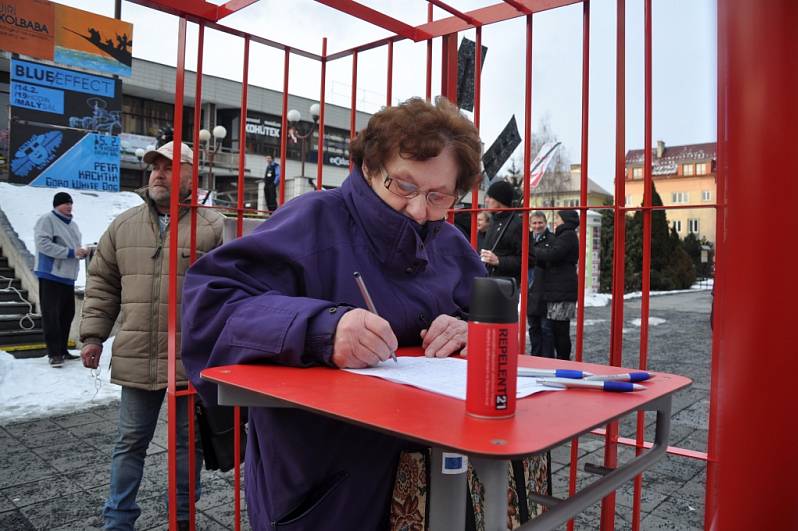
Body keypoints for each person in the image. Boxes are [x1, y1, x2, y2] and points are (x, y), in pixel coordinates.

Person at [180, 98, 503, 530]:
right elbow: (210, 305)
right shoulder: (313, 219)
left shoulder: (450, 244)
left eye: (439, 196)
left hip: (439, 478)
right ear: (369, 168)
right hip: (329, 481)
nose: (420, 210)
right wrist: (321, 328)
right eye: (403, 186)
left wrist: (469, 331)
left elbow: (494, 327)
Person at [79, 141, 224, 531]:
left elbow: (227, 291)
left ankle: (183, 518)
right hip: (137, 355)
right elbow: (102, 285)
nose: (159, 173)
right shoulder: (123, 226)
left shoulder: (212, 226)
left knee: (186, 447)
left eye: (171, 167)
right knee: (129, 443)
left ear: (193, 176)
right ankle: (118, 521)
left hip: (188, 358)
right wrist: (92, 335)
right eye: (155, 167)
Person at [33, 192, 88, 368]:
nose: (69, 206)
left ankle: (63, 349)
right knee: (52, 315)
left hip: (67, 277)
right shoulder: (47, 220)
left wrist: (81, 252)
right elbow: (43, 244)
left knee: (66, 315)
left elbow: (74, 248)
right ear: (56, 205)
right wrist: (71, 253)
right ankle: (54, 353)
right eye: (65, 203)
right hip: (51, 274)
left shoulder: (73, 225)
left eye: (70, 203)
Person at [531, 209, 579, 360]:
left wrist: (531, 250)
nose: (556, 221)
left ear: (565, 220)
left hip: (562, 290)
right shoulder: (564, 235)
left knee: (560, 330)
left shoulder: (567, 235)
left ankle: (564, 360)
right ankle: (560, 360)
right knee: (556, 329)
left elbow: (553, 254)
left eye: (558, 218)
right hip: (558, 289)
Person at [479, 179, 523, 284]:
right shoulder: (494, 220)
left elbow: (529, 259)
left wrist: (499, 260)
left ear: (499, 200)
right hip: (489, 282)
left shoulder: (516, 224)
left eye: (490, 197)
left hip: (506, 286)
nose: (486, 200)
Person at [526, 210, 552, 355]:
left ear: (545, 223)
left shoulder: (551, 239)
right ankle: (535, 358)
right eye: (534, 223)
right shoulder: (526, 239)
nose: (537, 226)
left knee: (546, 329)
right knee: (533, 328)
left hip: (545, 289)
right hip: (530, 290)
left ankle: (547, 359)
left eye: (540, 222)